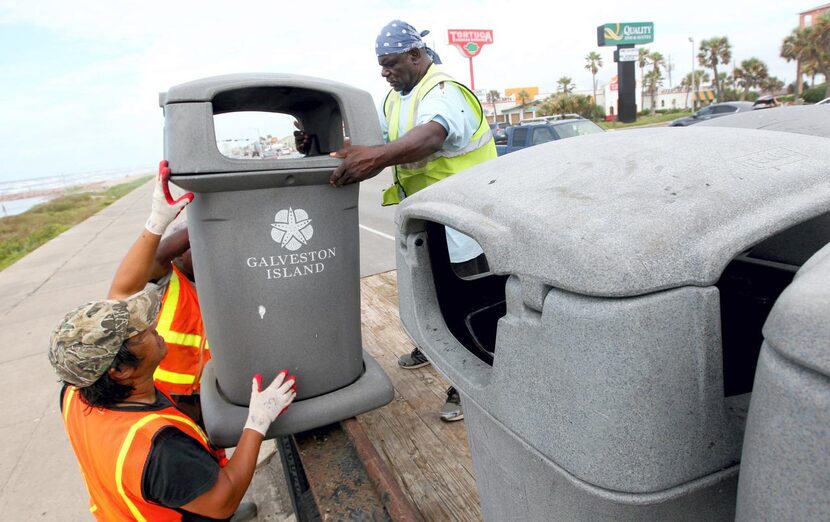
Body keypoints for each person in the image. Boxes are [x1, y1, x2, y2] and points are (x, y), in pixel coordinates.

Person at [49, 163, 297, 521]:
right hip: (175, 470)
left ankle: (205, 487)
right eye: (142, 333)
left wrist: (155, 221)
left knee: (202, 475)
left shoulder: (76, 391)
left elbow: (120, 292)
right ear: (118, 370)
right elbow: (221, 501)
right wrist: (257, 424)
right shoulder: (159, 446)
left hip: (126, 503)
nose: (153, 328)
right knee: (215, 495)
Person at [295, 20, 496, 422]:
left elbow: (430, 136)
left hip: (468, 227)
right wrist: (320, 145)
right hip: (428, 224)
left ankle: (473, 384)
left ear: (416, 55)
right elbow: (377, 144)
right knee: (431, 298)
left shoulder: (443, 91)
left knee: (474, 308)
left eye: (390, 63)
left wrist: (376, 159)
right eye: (380, 65)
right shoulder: (395, 99)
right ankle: (436, 344)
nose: (384, 72)